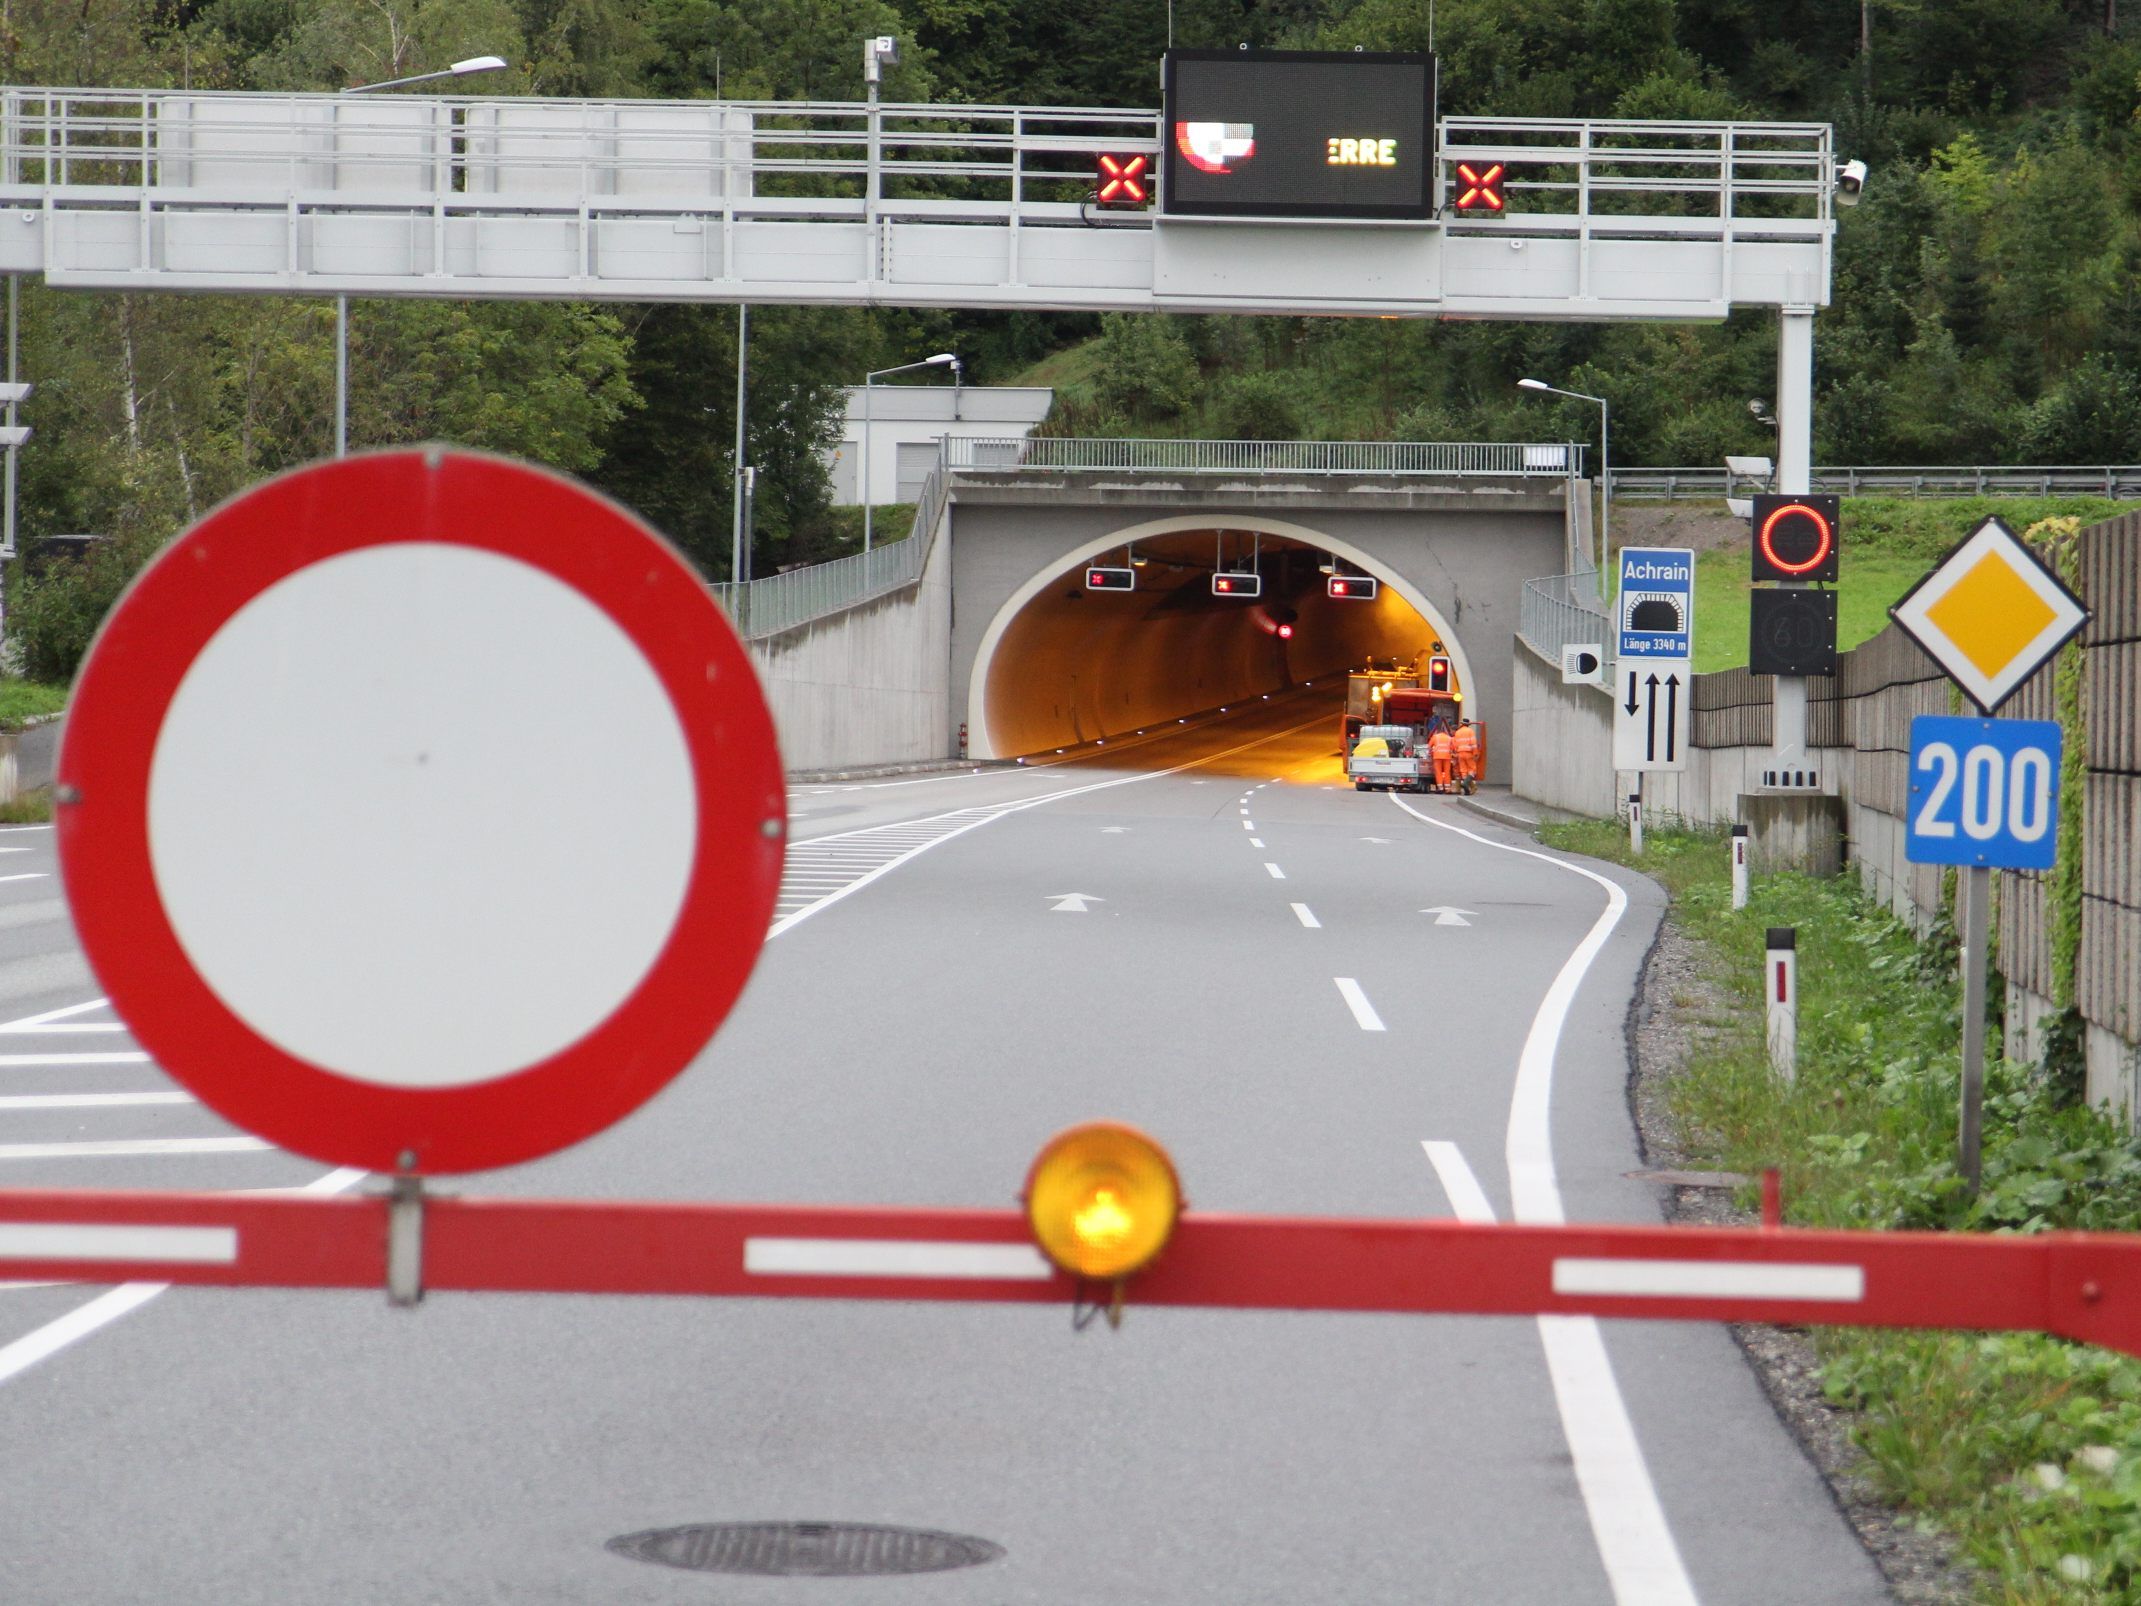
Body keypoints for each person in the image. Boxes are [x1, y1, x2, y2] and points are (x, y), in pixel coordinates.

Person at [1452, 720, 1479, 791]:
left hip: (1460, 753)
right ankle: (1466, 783)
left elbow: (1456, 744)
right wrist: (1475, 753)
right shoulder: (1470, 731)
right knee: (1472, 769)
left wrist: (1457, 753)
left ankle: (1467, 789)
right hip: (1469, 753)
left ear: (1462, 724)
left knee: (1463, 771)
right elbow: (1473, 743)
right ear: (1468, 725)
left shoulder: (1457, 732)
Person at [1428, 724, 1454, 791]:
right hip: (1447, 757)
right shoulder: (1449, 738)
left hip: (1437, 756)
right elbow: (1453, 748)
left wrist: (1431, 753)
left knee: (1438, 772)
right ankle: (1447, 788)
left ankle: (1440, 788)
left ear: (1438, 731)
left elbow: (1429, 746)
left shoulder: (1435, 737)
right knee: (1447, 772)